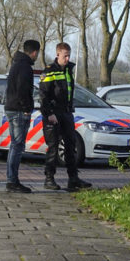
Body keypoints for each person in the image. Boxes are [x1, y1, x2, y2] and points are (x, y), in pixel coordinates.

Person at [39, 42, 92, 192]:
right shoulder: (49, 71)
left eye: (69, 55)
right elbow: (43, 95)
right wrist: (49, 114)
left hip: (66, 113)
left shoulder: (69, 70)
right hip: (53, 114)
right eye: (65, 56)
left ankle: (73, 179)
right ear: (57, 55)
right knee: (53, 147)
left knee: (70, 146)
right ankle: (49, 179)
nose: (67, 59)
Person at [4, 39, 41, 193]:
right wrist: (27, 108)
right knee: (17, 146)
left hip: (11, 107)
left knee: (14, 145)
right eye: (37, 53)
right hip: (19, 110)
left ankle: (11, 179)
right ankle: (12, 181)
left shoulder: (16, 64)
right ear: (34, 52)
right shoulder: (25, 67)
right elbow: (23, 90)